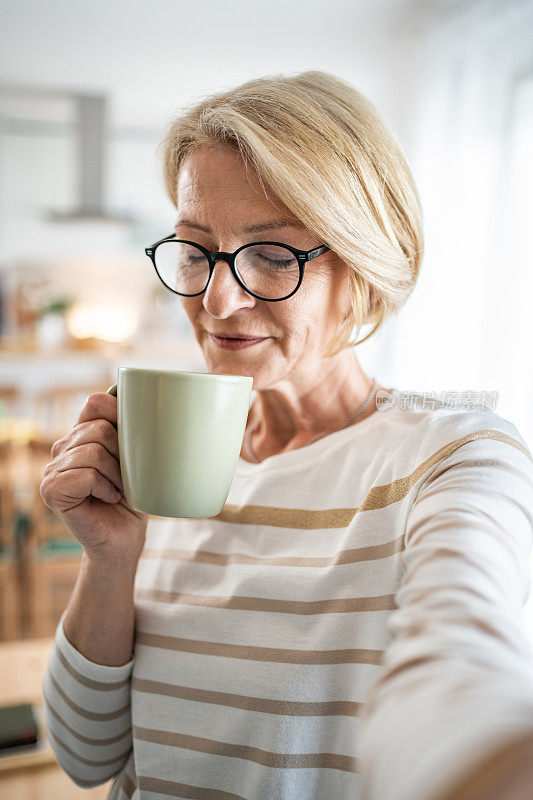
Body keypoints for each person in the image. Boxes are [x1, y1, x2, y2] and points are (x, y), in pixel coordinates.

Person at [39, 70, 533, 800]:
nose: (217, 297)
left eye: (272, 255)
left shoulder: (454, 458)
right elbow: (86, 756)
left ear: (363, 268)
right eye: (195, 249)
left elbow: (460, 644)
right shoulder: (162, 456)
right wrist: (110, 559)